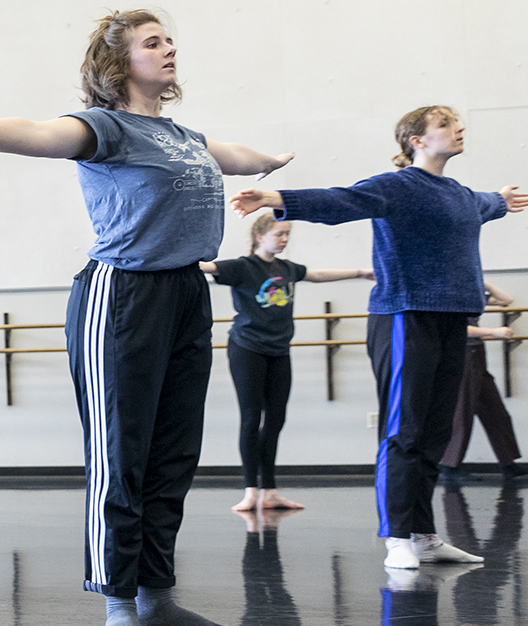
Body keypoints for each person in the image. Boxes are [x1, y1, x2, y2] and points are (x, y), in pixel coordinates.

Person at [0, 9, 294, 626]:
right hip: (123, 295)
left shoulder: (183, 137)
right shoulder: (104, 127)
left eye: (170, 40)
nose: (169, 50)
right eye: (153, 43)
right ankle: (118, 599)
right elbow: (35, 134)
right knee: (121, 451)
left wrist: (269, 160)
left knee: (174, 450)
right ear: (120, 62)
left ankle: (156, 591)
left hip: (186, 292)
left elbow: (233, 155)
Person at [231, 103, 526, 571]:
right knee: (404, 430)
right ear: (417, 140)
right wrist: (277, 199)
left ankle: (424, 535)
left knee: (434, 430)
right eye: (446, 124)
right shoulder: (398, 186)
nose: (460, 128)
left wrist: (502, 199)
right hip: (405, 315)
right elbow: (341, 200)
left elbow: (486, 203)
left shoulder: (461, 195)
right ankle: (396, 538)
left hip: (452, 318)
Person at [198, 214, 372, 512]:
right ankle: (251, 489)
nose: (285, 239)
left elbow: (316, 275)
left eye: (288, 234)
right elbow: (207, 267)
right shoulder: (243, 267)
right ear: (260, 236)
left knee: (276, 419)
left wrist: (359, 272)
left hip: (279, 350)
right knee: (252, 417)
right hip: (247, 349)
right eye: (279, 234)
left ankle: (270, 490)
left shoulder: (287, 268)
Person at [441, 282, 523, 484]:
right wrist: (493, 331)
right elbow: (457, 328)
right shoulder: (445, 295)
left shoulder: (469, 293)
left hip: (476, 356)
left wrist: (484, 283)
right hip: (462, 356)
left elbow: (506, 300)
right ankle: (449, 466)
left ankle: (509, 464)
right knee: (462, 413)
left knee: (495, 411)